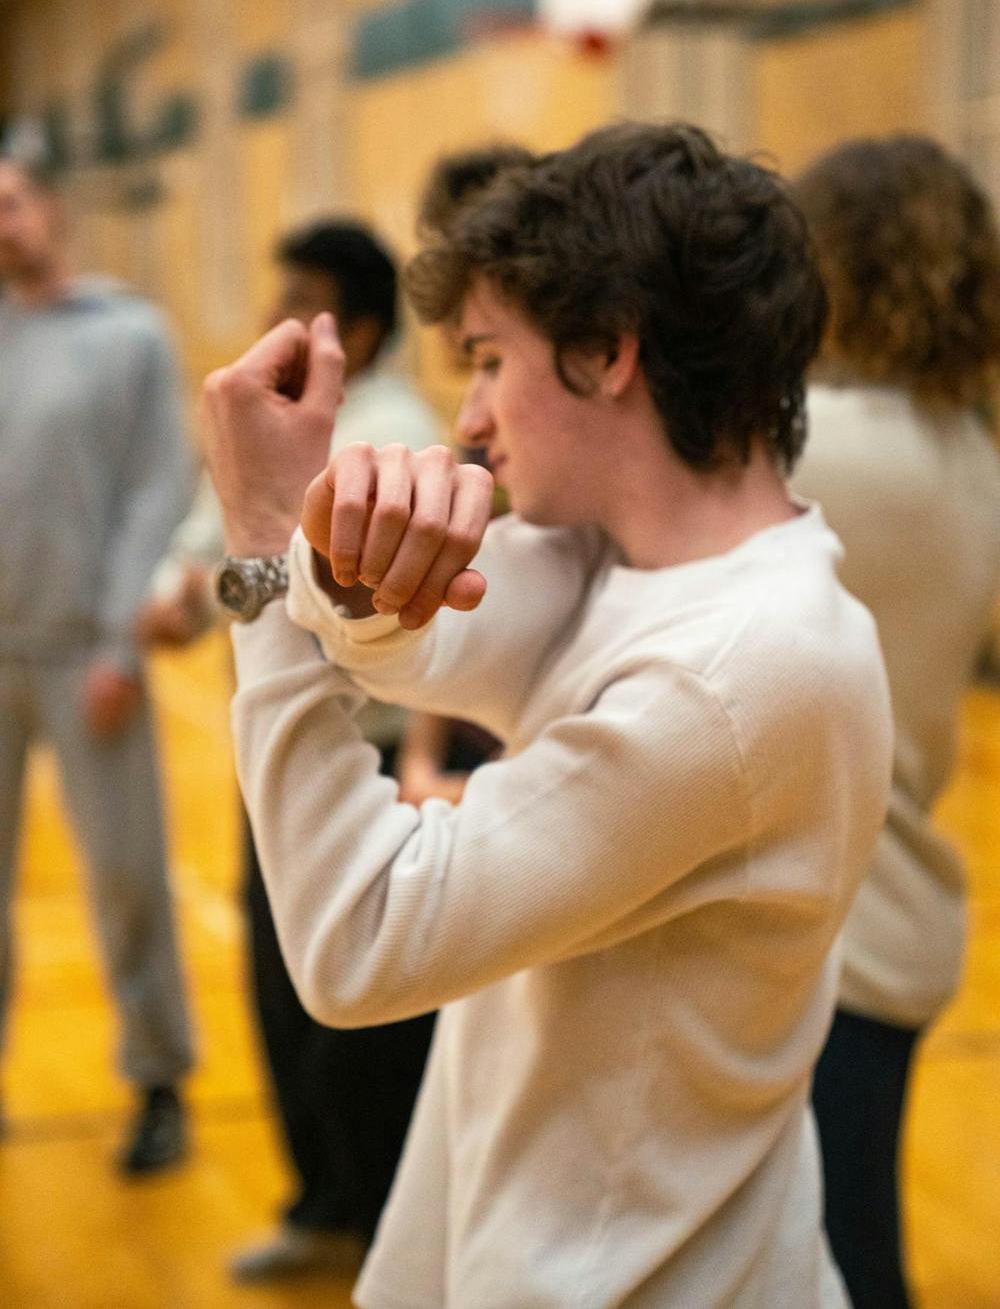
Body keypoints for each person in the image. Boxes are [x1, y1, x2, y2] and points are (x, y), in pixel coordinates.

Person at [202, 122, 894, 1308]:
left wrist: (263, 552)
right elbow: (411, 642)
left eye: (486, 360)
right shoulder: (623, 555)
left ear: (605, 350)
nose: (470, 416)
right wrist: (339, 551)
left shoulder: (739, 668)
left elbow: (358, 944)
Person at [141, 220, 443, 1281]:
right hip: (278, 754)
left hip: (371, 766)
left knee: (368, 1020)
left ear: (354, 330)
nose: (275, 314)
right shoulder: (274, 419)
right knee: (281, 993)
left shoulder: (393, 438)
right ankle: (323, 1205)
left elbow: (295, 589)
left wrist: (230, 582)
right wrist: (185, 591)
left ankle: (390, 1239)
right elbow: (216, 545)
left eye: (300, 297)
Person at [791, 135, 1000, 1309]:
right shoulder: (967, 452)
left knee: (837, 1267)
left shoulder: (808, 445)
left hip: (836, 935)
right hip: (890, 911)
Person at [0, 156, 195, 1173]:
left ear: (51, 208)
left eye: (9, 203)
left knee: (125, 878)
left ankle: (159, 1080)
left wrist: (122, 640)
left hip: (88, 655)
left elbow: (158, 491)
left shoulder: (129, 336)